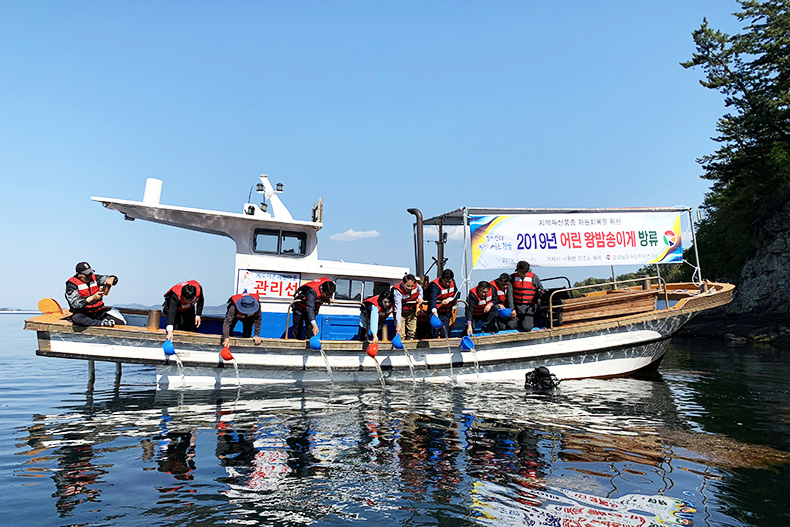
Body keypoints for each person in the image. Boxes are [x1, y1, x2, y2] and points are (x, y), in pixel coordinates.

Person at [65, 261, 125, 327]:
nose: (90, 276)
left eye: (91, 273)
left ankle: (103, 322)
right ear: (80, 275)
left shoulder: (95, 278)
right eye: (87, 274)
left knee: (120, 322)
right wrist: (93, 298)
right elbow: (75, 304)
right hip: (84, 314)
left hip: (99, 313)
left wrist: (112, 278)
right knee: (76, 318)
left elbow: (114, 279)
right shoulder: (71, 285)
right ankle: (101, 323)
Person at [509, 261, 544, 332]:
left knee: (527, 327)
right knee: (510, 326)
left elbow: (540, 289)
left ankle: (527, 321)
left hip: (529, 309)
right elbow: (509, 295)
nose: (523, 274)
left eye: (524, 272)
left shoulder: (534, 277)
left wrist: (540, 292)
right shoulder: (512, 278)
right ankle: (518, 321)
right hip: (516, 308)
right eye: (521, 272)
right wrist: (512, 309)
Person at [427, 269, 459, 338]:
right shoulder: (435, 285)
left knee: (445, 333)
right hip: (435, 313)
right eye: (446, 282)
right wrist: (435, 313)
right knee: (434, 334)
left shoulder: (453, 282)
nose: (447, 284)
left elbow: (457, 294)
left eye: (449, 282)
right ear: (442, 279)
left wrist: (449, 299)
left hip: (445, 312)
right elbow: (432, 299)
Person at [392, 274, 423, 340]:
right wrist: (398, 324)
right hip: (401, 313)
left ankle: (411, 347)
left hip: (411, 311)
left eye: (412, 286)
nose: (410, 288)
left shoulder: (417, 286)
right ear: (403, 283)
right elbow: (398, 308)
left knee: (412, 332)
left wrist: (420, 298)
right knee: (401, 334)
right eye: (408, 286)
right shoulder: (397, 291)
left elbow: (420, 291)